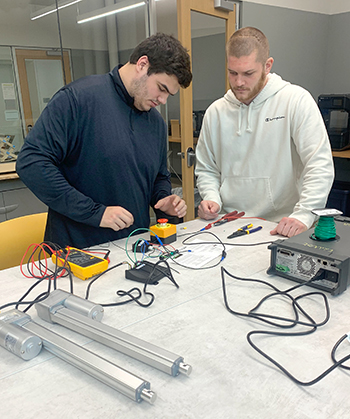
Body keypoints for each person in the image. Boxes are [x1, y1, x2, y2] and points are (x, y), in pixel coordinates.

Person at [16, 33, 192, 249]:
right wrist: (95, 213)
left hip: (133, 248)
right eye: (162, 88)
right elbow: (32, 163)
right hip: (77, 251)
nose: (162, 100)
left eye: (169, 95)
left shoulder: (155, 123)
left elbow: (158, 176)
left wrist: (164, 200)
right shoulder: (78, 99)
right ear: (143, 64)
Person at [195, 27, 334, 238]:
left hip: (281, 226)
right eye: (233, 73)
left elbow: (319, 164)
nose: (239, 82)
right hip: (226, 223)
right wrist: (212, 198)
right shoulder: (216, 112)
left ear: (267, 65)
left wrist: (304, 215)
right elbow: (207, 168)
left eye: (248, 73)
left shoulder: (295, 101)